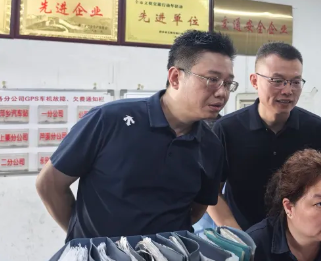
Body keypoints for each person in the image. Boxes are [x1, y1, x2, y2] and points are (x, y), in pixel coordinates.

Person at [35, 30, 237, 241]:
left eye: (227, 83)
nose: (222, 92)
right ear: (176, 77)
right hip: (98, 259)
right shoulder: (109, 120)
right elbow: (49, 184)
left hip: (171, 260)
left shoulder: (211, 146)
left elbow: (195, 212)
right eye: (212, 79)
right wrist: (84, 239)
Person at [208, 42, 321, 230]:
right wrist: (239, 236)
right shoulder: (226, 129)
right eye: (277, 81)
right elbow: (211, 192)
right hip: (245, 235)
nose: (288, 90)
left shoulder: (316, 129)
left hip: (302, 235)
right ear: (254, 81)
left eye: (295, 82)